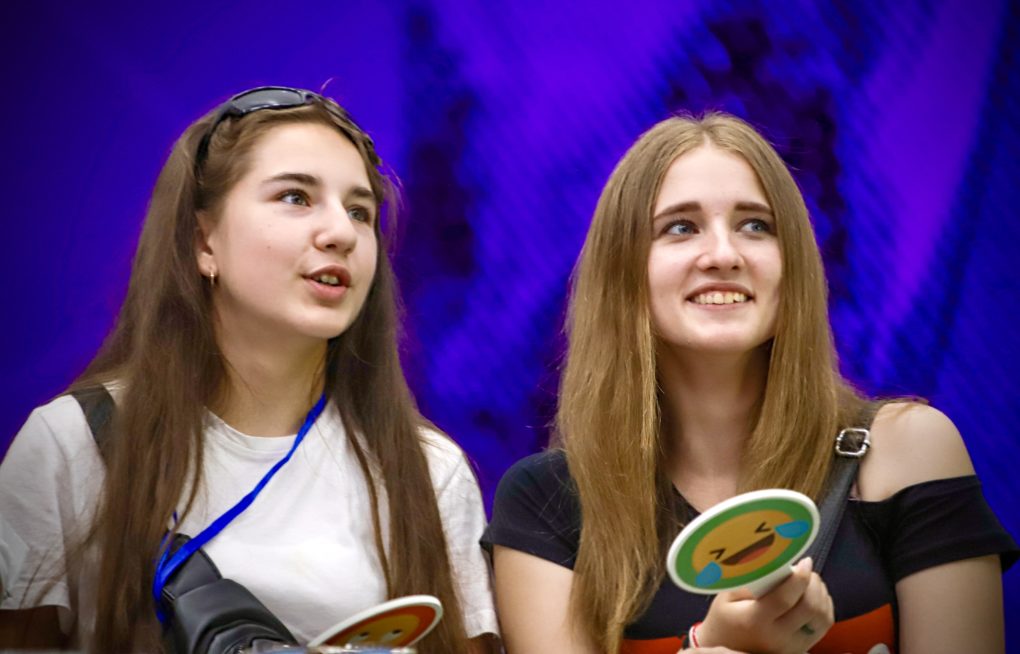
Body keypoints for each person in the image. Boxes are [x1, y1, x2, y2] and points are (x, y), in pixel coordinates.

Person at [483, 112, 1017, 654]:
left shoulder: (907, 452)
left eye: (755, 226)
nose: (723, 254)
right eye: (680, 227)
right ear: (623, 271)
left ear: (793, 265)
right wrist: (709, 645)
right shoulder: (546, 500)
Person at [0, 87, 498, 653]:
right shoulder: (73, 443)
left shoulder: (430, 470)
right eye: (295, 197)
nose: (341, 232)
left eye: (360, 211)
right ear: (202, 242)